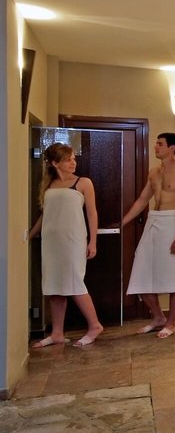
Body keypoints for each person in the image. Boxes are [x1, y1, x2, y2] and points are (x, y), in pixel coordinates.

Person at [28, 143, 104, 347]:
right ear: (55, 163)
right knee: (54, 287)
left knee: (74, 283)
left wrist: (93, 241)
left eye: (74, 159)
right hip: (51, 242)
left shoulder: (83, 183)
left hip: (73, 241)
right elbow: (46, 214)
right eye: (68, 160)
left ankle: (95, 325)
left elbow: (92, 213)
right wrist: (30, 235)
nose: (73, 163)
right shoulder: (49, 185)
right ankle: (57, 333)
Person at [122, 132, 175, 339]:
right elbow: (142, 200)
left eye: (160, 144)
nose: (155, 147)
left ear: (172, 148)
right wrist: (122, 222)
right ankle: (158, 318)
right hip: (154, 221)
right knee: (141, 271)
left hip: (174, 223)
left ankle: (171, 323)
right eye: (156, 143)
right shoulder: (154, 172)